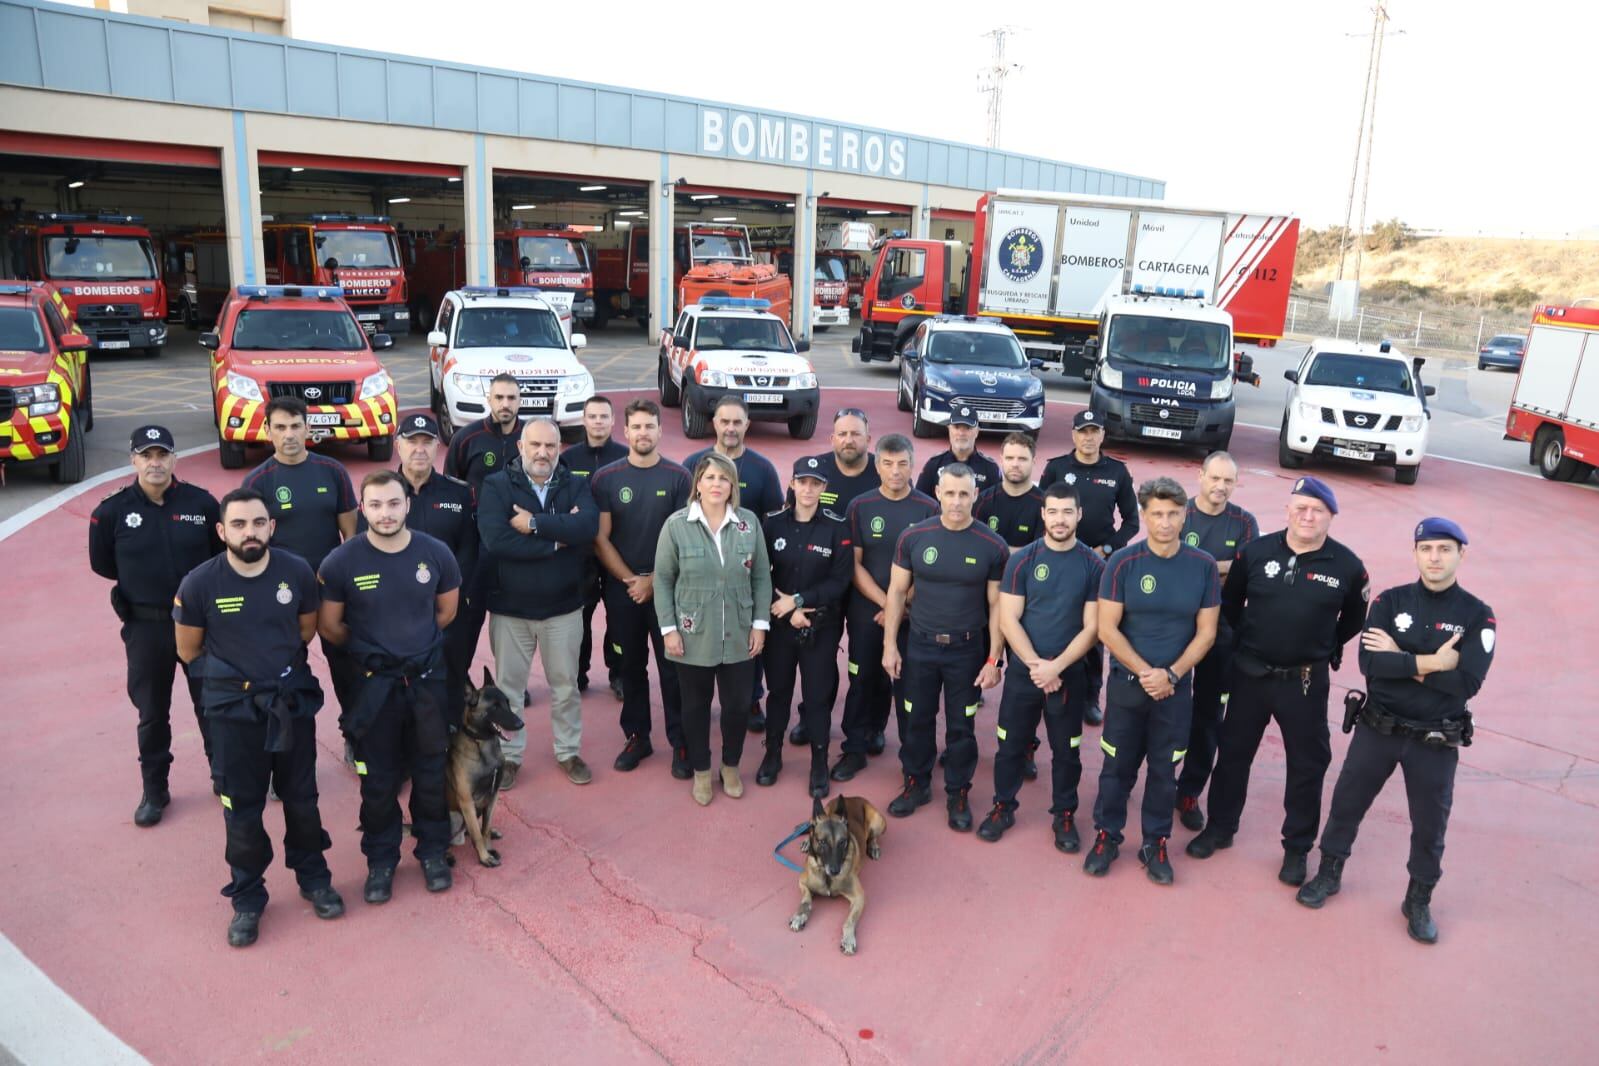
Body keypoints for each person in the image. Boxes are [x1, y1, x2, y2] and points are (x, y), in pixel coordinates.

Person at [1297, 518, 1493, 944]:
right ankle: (1329, 873)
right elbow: (1372, 669)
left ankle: (1418, 899)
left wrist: (1403, 659)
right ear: (1415, 554)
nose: (1435, 558)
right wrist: (1434, 663)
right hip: (1378, 728)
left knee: (1429, 825)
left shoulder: (1478, 615)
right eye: (1426, 549)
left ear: (1462, 553)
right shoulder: (1388, 602)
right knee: (1347, 802)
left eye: (1444, 549)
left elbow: (1467, 683)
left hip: (1434, 739)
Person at [174, 489, 341, 948]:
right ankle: (248, 897)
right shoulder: (199, 584)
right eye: (240, 525)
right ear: (222, 531)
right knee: (242, 809)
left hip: (289, 704)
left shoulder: (296, 572)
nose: (250, 533)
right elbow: (188, 650)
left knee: (302, 797)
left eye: (258, 523)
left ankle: (313, 876)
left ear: (272, 527)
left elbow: (304, 631)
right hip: (232, 715)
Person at [1187, 477, 1368, 887]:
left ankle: (1296, 848)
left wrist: (1323, 646)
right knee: (1232, 754)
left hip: (1304, 682)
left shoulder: (1347, 566)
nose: (1308, 516)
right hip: (1250, 674)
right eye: (1301, 507)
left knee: (1307, 765)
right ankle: (1219, 828)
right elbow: (1230, 605)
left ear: (1331, 517)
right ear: (1287, 510)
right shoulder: (1255, 552)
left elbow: (1354, 620)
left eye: (1318, 510)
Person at [318, 471, 461, 904]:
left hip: (426, 683)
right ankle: (381, 860)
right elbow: (331, 626)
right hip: (373, 688)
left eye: (393, 504)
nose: (385, 513)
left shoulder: (435, 553)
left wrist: (411, 650)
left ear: (407, 505)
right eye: (376, 505)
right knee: (377, 781)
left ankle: (433, 851)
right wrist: (375, 655)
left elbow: (446, 612)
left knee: (431, 773)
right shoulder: (341, 563)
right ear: (363, 509)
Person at [1086, 477, 1220, 884]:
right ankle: (1108, 836)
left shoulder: (1203, 565)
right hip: (1129, 688)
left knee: (1165, 771)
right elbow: (1107, 629)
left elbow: (1207, 632)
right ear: (1143, 516)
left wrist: (1173, 675)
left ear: (1185, 515)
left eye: (1173, 514)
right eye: (1157, 514)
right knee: (1116, 767)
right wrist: (1147, 673)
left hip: (1175, 691)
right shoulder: (1123, 562)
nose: (1165, 522)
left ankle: (1155, 842)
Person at [89, 425, 222, 826]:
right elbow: (103, 565)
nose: (155, 463)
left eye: (162, 454)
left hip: (200, 627)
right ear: (133, 460)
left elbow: (219, 558)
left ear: (174, 459)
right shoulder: (110, 512)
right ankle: (155, 790)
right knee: (151, 713)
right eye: (146, 455)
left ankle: (225, 776)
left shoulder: (202, 504)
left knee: (212, 705)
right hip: (146, 628)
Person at [882, 464, 1009, 832]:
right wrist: (890, 645)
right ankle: (916, 783)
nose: (956, 502)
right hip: (920, 646)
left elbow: (998, 605)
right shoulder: (913, 537)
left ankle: (958, 791)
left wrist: (993, 658)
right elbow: (896, 592)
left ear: (975, 495)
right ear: (938, 492)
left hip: (965, 652)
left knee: (961, 727)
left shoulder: (991, 545)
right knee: (916, 719)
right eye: (950, 493)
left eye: (964, 494)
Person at [977, 483, 1103, 851]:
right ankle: (1003, 806)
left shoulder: (1094, 565)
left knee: (1067, 751)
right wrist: (1035, 666)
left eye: (1068, 512)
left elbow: (1092, 627)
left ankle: (1064, 814)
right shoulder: (1022, 560)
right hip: (1024, 673)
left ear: (1078, 515)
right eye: (1053, 511)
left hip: (1069, 674)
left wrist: (1057, 667)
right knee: (1010, 745)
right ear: (1043, 514)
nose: (1060, 519)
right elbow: (1009, 619)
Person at [477, 418, 599, 789]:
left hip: (563, 608)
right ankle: (510, 758)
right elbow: (497, 541)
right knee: (509, 690)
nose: (543, 453)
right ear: (521, 448)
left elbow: (587, 528)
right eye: (535, 446)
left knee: (565, 686)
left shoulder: (575, 484)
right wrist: (557, 539)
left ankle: (568, 751)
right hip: (510, 610)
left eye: (550, 446)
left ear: (559, 447)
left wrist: (534, 525)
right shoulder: (496, 486)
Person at [653, 453, 773, 805]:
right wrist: (669, 629)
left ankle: (731, 766)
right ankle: (702, 772)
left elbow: (762, 577)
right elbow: (662, 580)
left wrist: (760, 625)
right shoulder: (676, 525)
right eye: (710, 478)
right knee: (695, 706)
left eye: (724, 478)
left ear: (733, 485)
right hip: (692, 633)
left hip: (739, 631)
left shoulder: (749, 523)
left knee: (737, 705)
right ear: (698, 484)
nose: (717, 484)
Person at [241, 397, 359, 739]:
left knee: (347, 667)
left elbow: (350, 534)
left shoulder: (332, 471)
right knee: (284, 671)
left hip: (332, 590)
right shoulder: (256, 483)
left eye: (295, 426)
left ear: (308, 428)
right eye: (280, 427)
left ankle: (354, 735)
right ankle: (284, 747)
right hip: (283, 595)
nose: (289, 434)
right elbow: (252, 543)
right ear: (267, 431)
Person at [592, 400, 692, 777]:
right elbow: (601, 539)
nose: (644, 433)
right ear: (626, 431)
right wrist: (632, 581)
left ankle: (680, 740)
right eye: (637, 427)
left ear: (659, 431)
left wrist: (654, 581)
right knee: (631, 666)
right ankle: (638, 736)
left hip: (668, 589)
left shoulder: (680, 477)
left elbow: (685, 538)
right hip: (623, 590)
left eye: (650, 426)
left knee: (673, 668)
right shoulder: (606, 478)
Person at [363, 412, 478, 734]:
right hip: (396, 615)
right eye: (411, 442)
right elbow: (366, 552)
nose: (419, 449)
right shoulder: (381, 494)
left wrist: (452, 597)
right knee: (399, 683)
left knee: (452, 675)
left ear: (437, 448)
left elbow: (469, 550)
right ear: (398, 446)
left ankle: (449, 737)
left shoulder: (459, 493)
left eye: (427, 442)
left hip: (449, 609)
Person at [832, 435, 937, 780]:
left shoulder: (928, 509)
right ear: (877, 466)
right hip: (867, 610)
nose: (895, 471)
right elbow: (854, 565)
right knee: (862, 679)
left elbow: (930, 567)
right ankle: (855, 748)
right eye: (888, 464)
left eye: (902, 464)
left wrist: (902, 604)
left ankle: (911, 761)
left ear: (912, 465)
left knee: (906, 684)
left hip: (913, 612)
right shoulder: (860, 507)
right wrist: (886, 602)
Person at [684, 395, 784, 732]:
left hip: (744, 574)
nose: (730, 428)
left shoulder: (762, 469)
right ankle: (699, 704)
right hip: (701, 573)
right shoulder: (693, 464)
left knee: (747, 638)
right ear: (713, 423)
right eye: (724, 421)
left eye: (737, 422)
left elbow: (773, 520)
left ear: (747, 425)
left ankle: (751, 698)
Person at [1173, 452, 1260, 832]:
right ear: (1200, 476)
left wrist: (1197, 562)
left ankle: (1189, 791)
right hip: (1174, 627)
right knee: (1160, 707)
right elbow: (1165, 559)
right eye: (1215, 478)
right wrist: (1219, 566)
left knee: (1208, 717)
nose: (1220, 487)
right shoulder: (1178, 513)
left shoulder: (1244, 522)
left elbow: (1245, 572)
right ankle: (1144, 781)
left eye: (1228, 481)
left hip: (1222, 633)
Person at [758, 457, 853, 797]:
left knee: (816, 697)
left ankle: (818, 762)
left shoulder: (837, 527)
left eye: (816, 484)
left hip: (820, 627)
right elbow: (758, 574)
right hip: (781, 626)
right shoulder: (772, 524)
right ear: (793, 483)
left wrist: (798, 601)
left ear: (824, 489)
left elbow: (840, 580)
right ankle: (773, 754)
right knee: (779, 692)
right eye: (803, 482)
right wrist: (785, 610)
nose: (809, 489)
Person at [788, 407, 881, 747]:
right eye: (842, 433)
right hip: (818, 587)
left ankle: (869, 726)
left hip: (863, 586)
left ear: (868, 439)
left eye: (856, 433)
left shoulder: (880, 473)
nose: (848, 440)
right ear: (832, 438)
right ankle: (812, 718)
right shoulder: (817, 470)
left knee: (866, 661)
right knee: (818, 662)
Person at [1040, 410, 1138, 726]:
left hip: (1098, 565)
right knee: (1052, 621)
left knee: (1094, 632)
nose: (1088, 437)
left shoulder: (1118, 472)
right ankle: (1043, 682)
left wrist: (1107, 549)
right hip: (1057, 561)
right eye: (1083, 431)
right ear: (1073, 435)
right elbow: (1039, 512)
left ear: (1102, 436)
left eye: (1094, 431)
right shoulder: (1056, 468)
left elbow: (1132, 522)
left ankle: (1091, 697)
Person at [560, 395, 627, 699]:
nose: (598, 421)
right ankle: (579, 672)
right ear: (583, 420)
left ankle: (619, 672)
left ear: (613, 421)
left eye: (604, 416)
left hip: (618, 551)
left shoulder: (627, 456)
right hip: (580, 554)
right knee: (581, 616)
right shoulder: (568, 459)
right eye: (593, 416)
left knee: (618, 616)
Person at [445, 372, 525, 498]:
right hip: (476, 516)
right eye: (499, 397)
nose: (505, 404)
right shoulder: (465, 438)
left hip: (521, 516)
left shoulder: (533, 437)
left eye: (511, 398)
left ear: (520, 401)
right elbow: (449, 485)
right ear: (489, 400)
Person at [974, 432, 1044, 549]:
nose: (1015, 464)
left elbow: (1041, 551)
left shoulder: (1045, 505)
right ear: (1001, 460)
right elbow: (975, 544)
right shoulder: (982, 501)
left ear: (1033, 461)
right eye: (1009, 458)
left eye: (1022, 459)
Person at [914, 407, 1000, 497]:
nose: (961, 433)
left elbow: (998, 504)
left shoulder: (990, 468)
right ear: (949, 429)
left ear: (977, 432)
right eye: (956, 427)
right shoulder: (934, 465)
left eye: (967, 428)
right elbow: (920, 501)